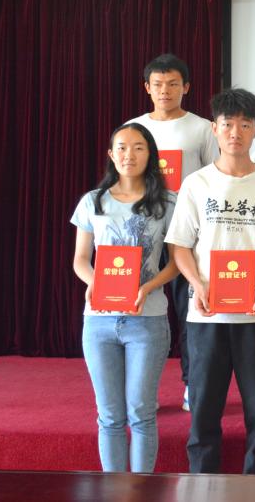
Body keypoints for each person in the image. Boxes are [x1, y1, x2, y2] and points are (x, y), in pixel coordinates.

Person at [165, 88, 255, 475]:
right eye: (227, 124)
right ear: (215, 129)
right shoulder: (196, 184)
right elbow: (179, 246)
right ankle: (202, 486)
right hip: (207, 316)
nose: (235, 132)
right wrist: (197, 284)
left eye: (244, 124)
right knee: (204, 412)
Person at [70, 122, 178, 473]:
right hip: (99, 321)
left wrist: (148, 286)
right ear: (111, 155)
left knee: (141, 412)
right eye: (122, 147)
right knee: (110, 415)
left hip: (147, 320)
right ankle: (114, 489)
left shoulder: (167, 203)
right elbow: (81, 260)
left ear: (150, 155)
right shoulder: (93, 201)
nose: (129, 154)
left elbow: (177, 262)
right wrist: (94, 282)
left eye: (138, 147)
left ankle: (141, 489)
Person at [129, 53, 218, 412]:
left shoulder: (202, 128)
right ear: (147, 88)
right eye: (158, 84)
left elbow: (215, 178)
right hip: (143, 230)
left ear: (186, 87)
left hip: (188, 232)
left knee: (188, 311)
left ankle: (192, 382)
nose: (165, 90)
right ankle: (140, 388)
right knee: (140, 309)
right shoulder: (134, 128)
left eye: (172, 84)